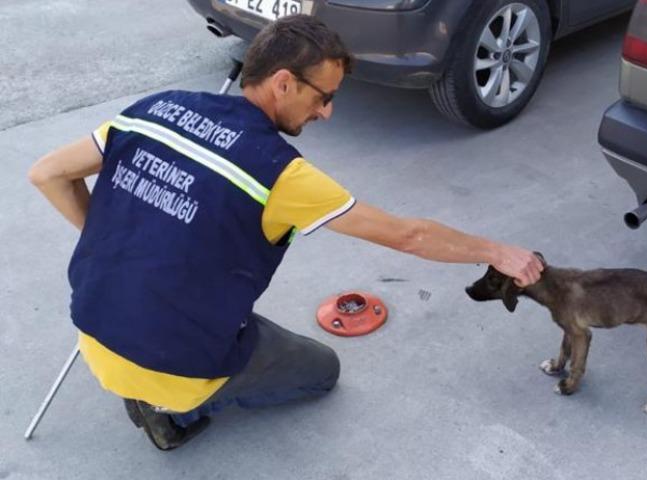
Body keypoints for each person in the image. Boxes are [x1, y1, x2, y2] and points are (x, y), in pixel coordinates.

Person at [28, 15, 543, 451]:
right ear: (282, 83)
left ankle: (147, 378)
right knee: (323, 371)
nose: (327, 111)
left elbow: (47, 173)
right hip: (177, 360)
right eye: (323, 97)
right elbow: (407, 236)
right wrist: (498, 252)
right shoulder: (278, 174)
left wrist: (108, 242)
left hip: (93, 327)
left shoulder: (153, 110)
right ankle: (170, 407)